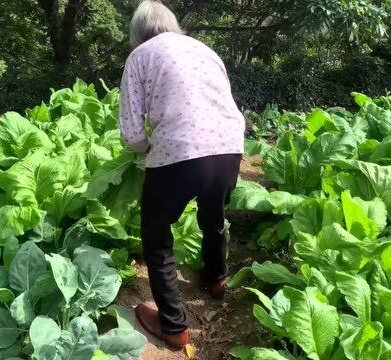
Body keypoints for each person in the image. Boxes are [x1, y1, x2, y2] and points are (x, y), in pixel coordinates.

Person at [118, 0, 245, 348]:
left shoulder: (140, 56)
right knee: (212, 212)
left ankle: (174, 327)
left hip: (181, 152)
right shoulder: (205, 50)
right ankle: (217, 279)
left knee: (156, 236)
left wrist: (145, 151)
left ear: (138, 33)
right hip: (230, 146)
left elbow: (131, 134)